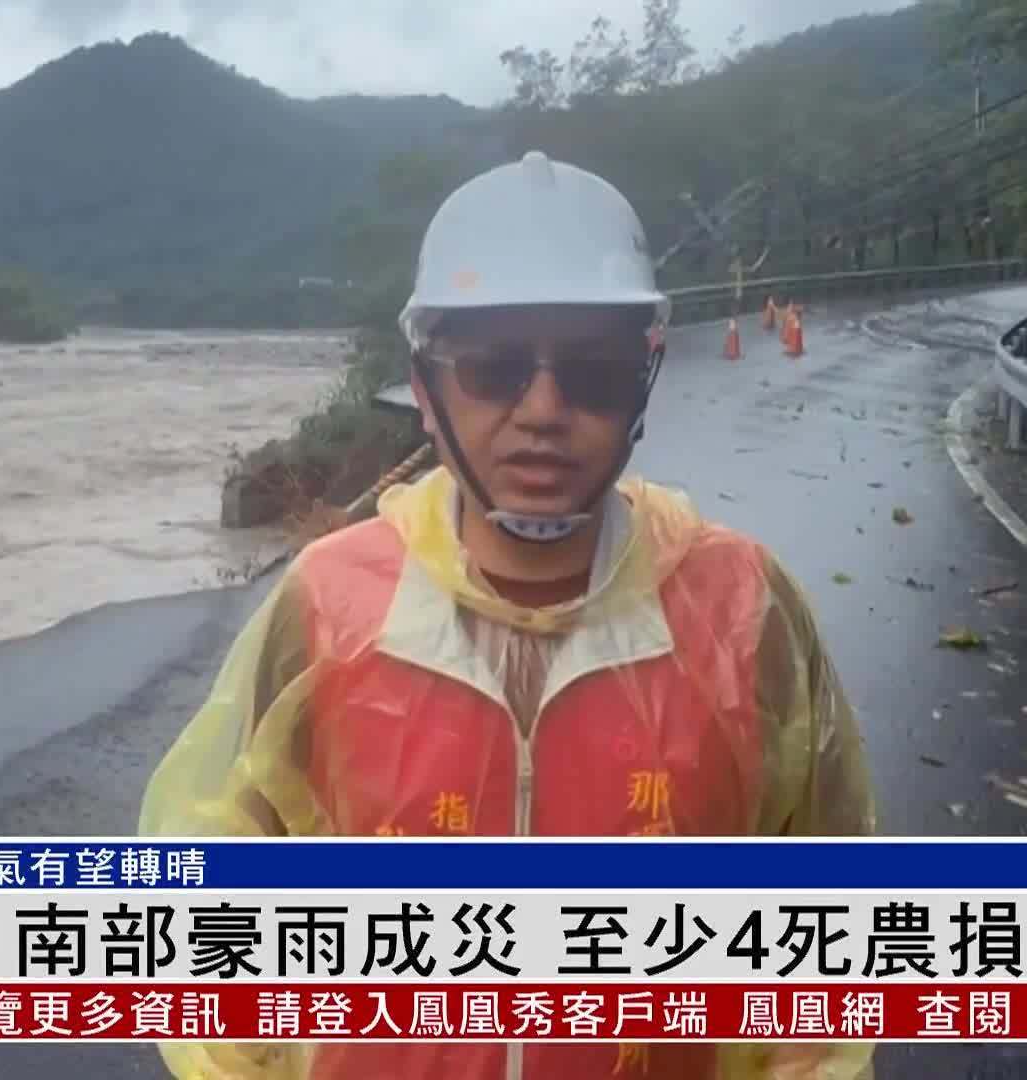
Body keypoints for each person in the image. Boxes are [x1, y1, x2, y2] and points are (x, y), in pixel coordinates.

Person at [139, 150, 877, 1080]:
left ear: (642, 381)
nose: (542, 410)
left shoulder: (741, 608)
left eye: (592, 373)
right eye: (493, 371)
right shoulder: (328, 600)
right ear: (425, 387)